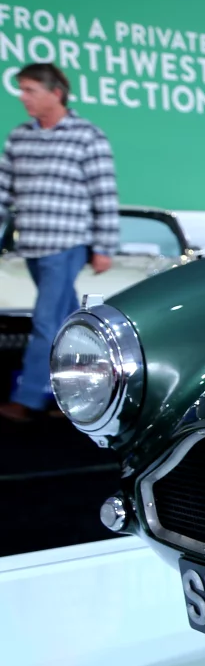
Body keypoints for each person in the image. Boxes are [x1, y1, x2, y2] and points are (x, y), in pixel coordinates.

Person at [0, 63, 118, 423]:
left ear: (56, 93)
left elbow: (104, 194)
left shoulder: (87, 135)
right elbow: (3, 191)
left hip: (66, 244)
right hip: (32, 245)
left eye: (30, 90)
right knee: (70, 324)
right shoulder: (20, 137)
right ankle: (91, 385)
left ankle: (28, 399)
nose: (23, 97)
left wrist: (105, 247)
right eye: (21, 89)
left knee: (46, 322)